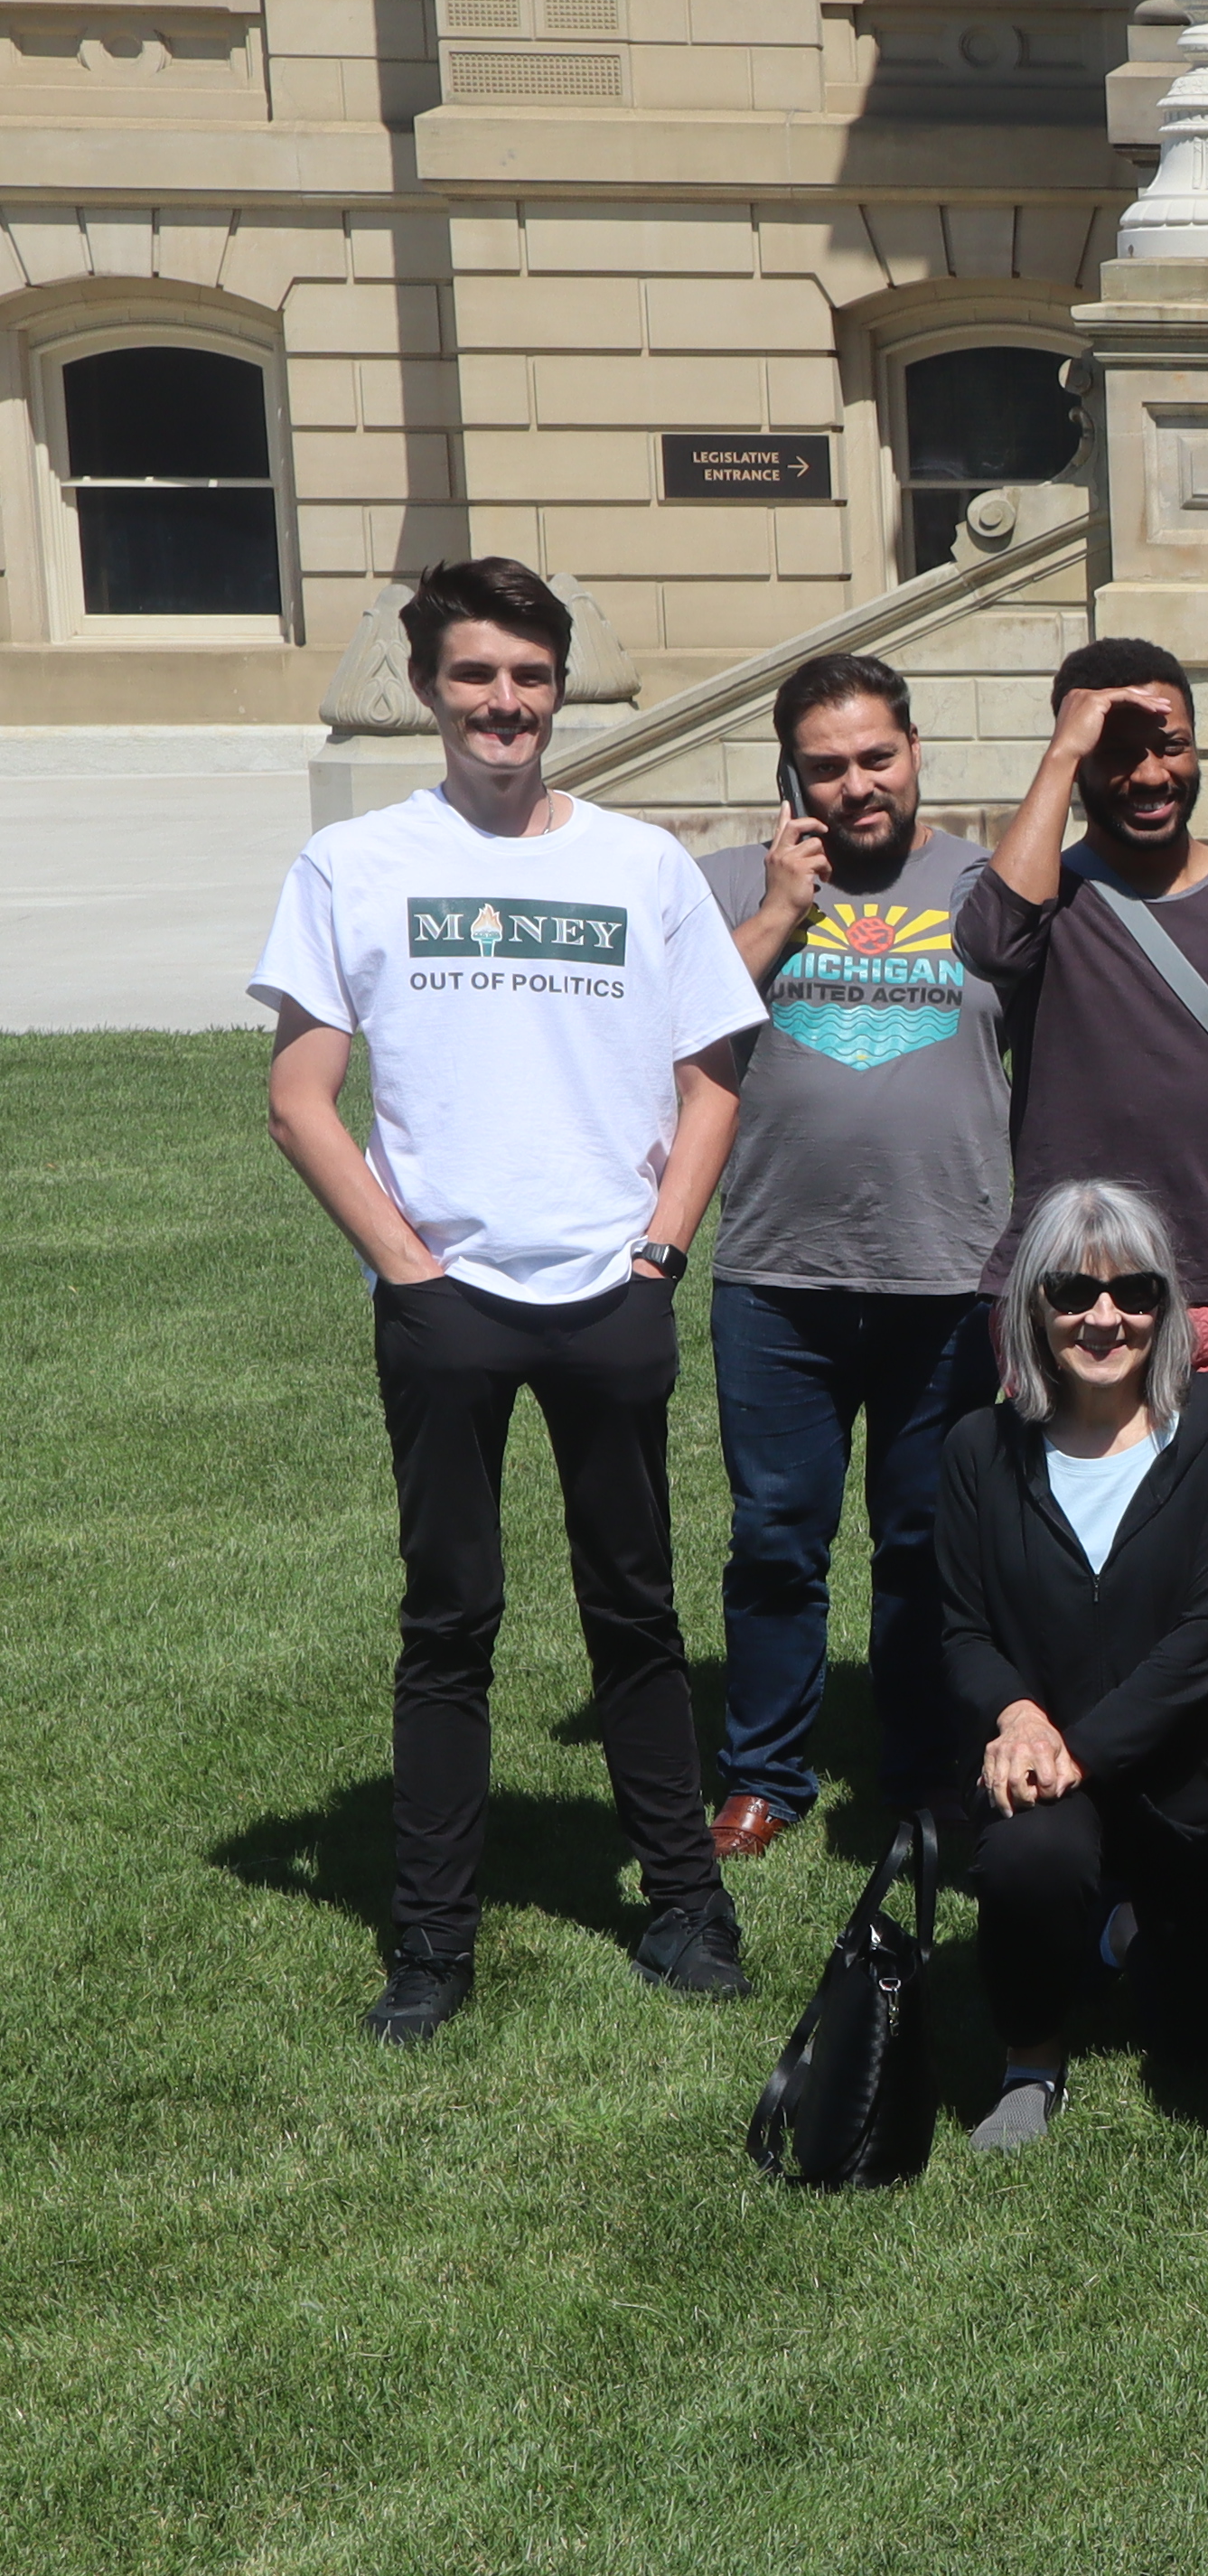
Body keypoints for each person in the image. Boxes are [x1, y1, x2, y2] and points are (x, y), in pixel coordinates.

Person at [253, 557, 769, 2041]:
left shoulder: (639, 863)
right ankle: (430, 1947)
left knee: (637, 1613)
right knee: (450, 1621)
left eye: (529, 677)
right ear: (429, 689)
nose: (504, 703)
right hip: (449, 1303)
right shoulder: (356, 864)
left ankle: (683, 1908)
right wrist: (409, 1269)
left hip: (612, 1291)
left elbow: (711, 1074)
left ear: (560, 692)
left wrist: (664, 1245)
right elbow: (299, 1096)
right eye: (476, 675)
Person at [694, 650, 1020, 1867]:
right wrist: (781, 909)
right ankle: (765, 1775)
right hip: (780, 1276)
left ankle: (925, 1772)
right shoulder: (731, 881)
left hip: (952, 1274)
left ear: (916, 751)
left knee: (927, 1542)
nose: (854, 786)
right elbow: (672, 1026)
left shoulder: (988, 885)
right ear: (791, 772)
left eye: (875, 758)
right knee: (777, 1538)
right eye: (825, 767)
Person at [932, 1178, 1208, 2151]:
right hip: (1050, 1777)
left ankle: (1124, 1932)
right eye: (1072, 1294)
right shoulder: (978, 1449)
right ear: (1031, 1309)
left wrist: (1079, 1745)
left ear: (1166, 1306)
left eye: (1134, 1293)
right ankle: (1030, 2056)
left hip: (1195, 1777)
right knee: (1031, 1853)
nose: (1105, 1317)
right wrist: (1016, 1718)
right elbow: (959, 1630)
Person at [959, 636, 1208, 1421]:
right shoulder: (1039, 901)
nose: (1149, 775)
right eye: (1116, 755)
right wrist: (1060, 753)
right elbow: (991, 944)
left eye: (1170, 746)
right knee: (1086, 1538)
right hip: (1078, 1304)